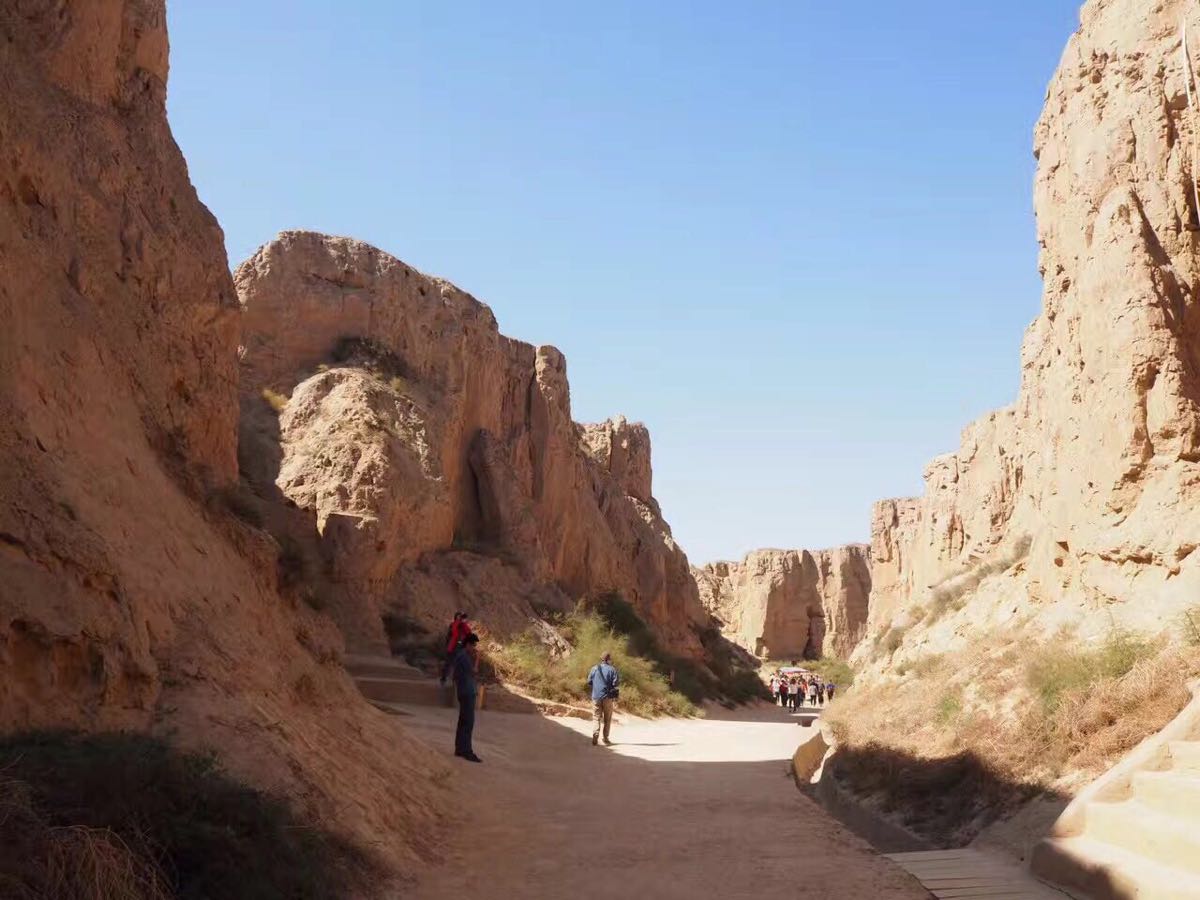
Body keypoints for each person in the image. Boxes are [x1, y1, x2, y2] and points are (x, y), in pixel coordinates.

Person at [451, 633, 482, 762]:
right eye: (473, 645)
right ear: (468, 644)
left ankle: (459, 749)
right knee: (468, 723)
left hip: (463, 691)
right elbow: (473, 672)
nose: (474, 648)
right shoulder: (464, 657)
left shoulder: (461, 656)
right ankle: (466, 751)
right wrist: (477, 660)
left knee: (463, 721)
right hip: (467, 692)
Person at [587, 651, 620, 746]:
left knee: (596, 717)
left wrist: (597, 686)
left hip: (596, 697)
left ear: (601, 659)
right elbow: (616, 683)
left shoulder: (594, 668)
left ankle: (595, 734)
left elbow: (589, 681)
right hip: (608, 698)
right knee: (607, 719)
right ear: (608, 660)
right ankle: (605, 738)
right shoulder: (612, 669)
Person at [439, 611, 473, 684]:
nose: (459, 618)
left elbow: (468, 635)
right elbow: (449, 635)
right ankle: (443, 678)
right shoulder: (453, 625)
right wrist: (447, 645)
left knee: (458, 664)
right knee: (448, 663)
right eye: (458, 617)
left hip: (460, 647)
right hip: (452, 646)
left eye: (460, 617)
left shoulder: (464, 626)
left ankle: (455, 680)